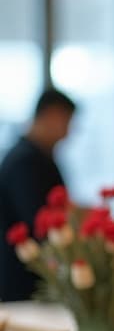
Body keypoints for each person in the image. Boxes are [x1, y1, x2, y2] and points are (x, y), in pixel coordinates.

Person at [0, 88, 76, 301]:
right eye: (67, 122)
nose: (67, 133)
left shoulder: (36, 157)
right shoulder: (25, 162)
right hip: (22, 283)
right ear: (51, 115)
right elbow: (38, 221)